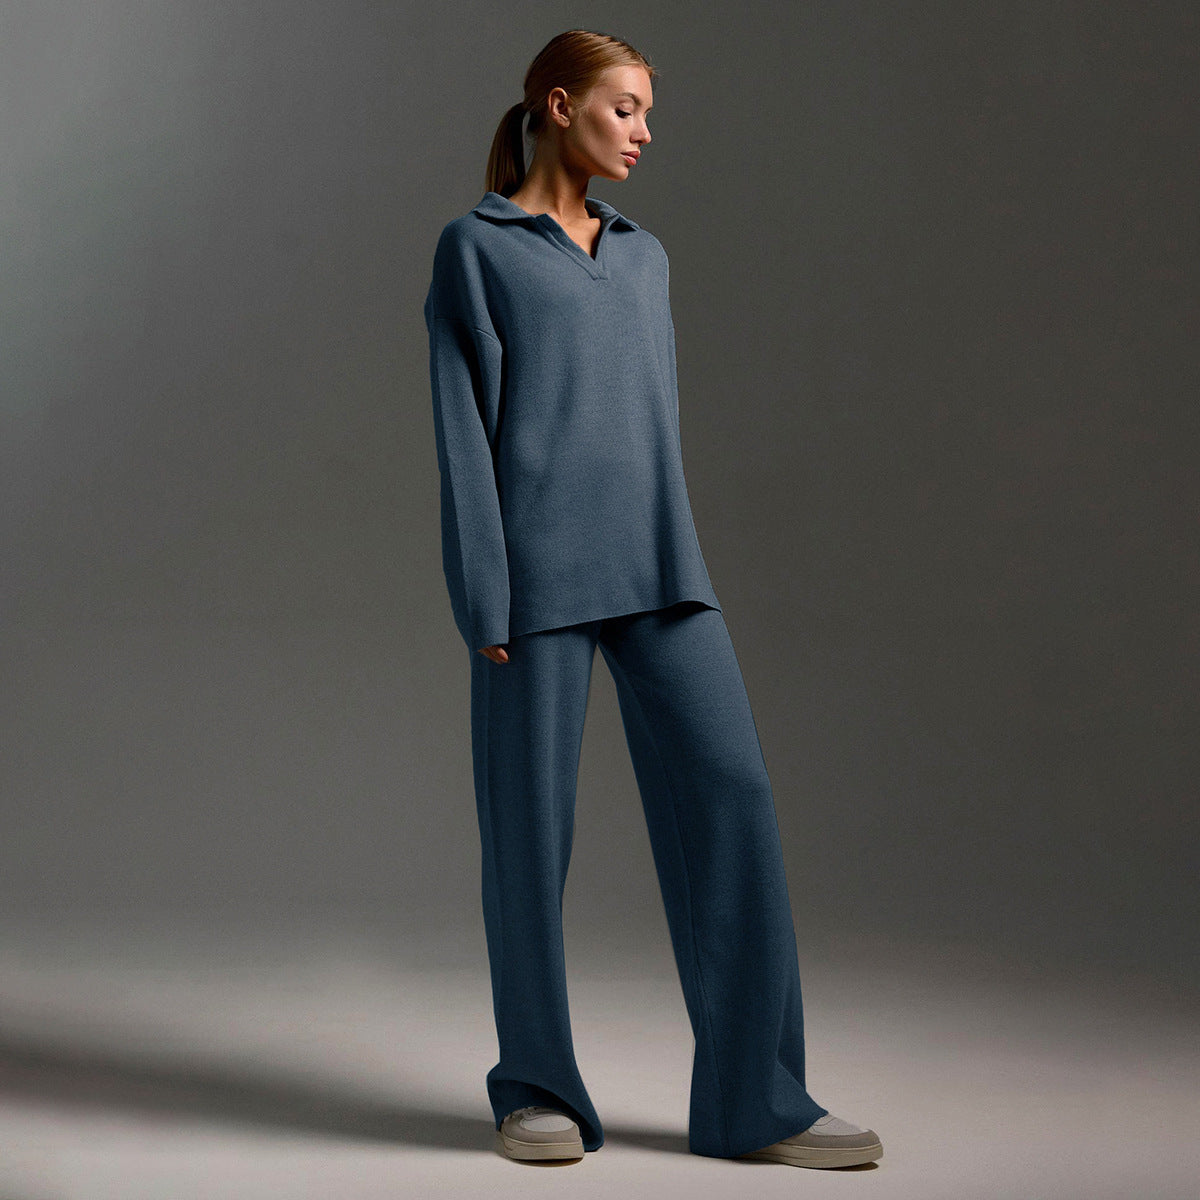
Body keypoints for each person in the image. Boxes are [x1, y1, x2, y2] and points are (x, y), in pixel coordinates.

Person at [422, 28, 882, 1170]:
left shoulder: (644, 257)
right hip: (533, 584)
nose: (640, 133)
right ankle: (535, 1090)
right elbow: (463, 431)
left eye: (646, 115)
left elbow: (652, 426)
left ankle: (756, 1100)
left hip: (661, 569)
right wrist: (483, 593)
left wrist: (682, 550)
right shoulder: (476, 248)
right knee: (529, 836)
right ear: (559, 104)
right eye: (624, 109)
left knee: (734, 798)